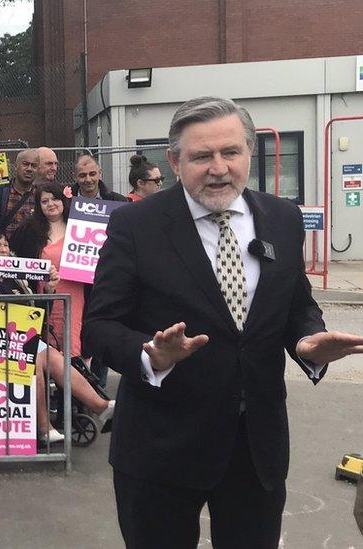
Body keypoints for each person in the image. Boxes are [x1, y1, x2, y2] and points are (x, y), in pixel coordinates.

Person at [82, 96, 363, 548]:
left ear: (249, 153)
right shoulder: (136, 225)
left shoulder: (283, 218)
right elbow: (98, 326)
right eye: (201, 156)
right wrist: (151, 354)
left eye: (230, 152)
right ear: (174, 161)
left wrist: (308, 341)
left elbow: (295, 306)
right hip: (161, 450)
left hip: (256, 450)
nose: (218, 168)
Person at [0, 229, 114, 443]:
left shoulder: (18, 277)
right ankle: (45, 428)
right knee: (33, 358)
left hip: (21, 335)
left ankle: (100, 406)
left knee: (54, 357)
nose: (3, 250)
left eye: (6, 245)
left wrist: (48, 290)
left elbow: (37, 311)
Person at [9, 182, 86, 364]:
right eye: (44, 201)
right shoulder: (29, 230)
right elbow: (14, 258)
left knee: (76, 345)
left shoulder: (80, 226)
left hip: (77, 295)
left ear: (63, 200)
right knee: (49, 349)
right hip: (45, 297)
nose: (50, 204)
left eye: (55, 198)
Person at [0, 147, 54, 238]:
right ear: (16, 166)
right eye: (25, 164)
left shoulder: (40, 195)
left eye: (34, 166)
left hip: (31, 250)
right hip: (3, 249)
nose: (29, 169)